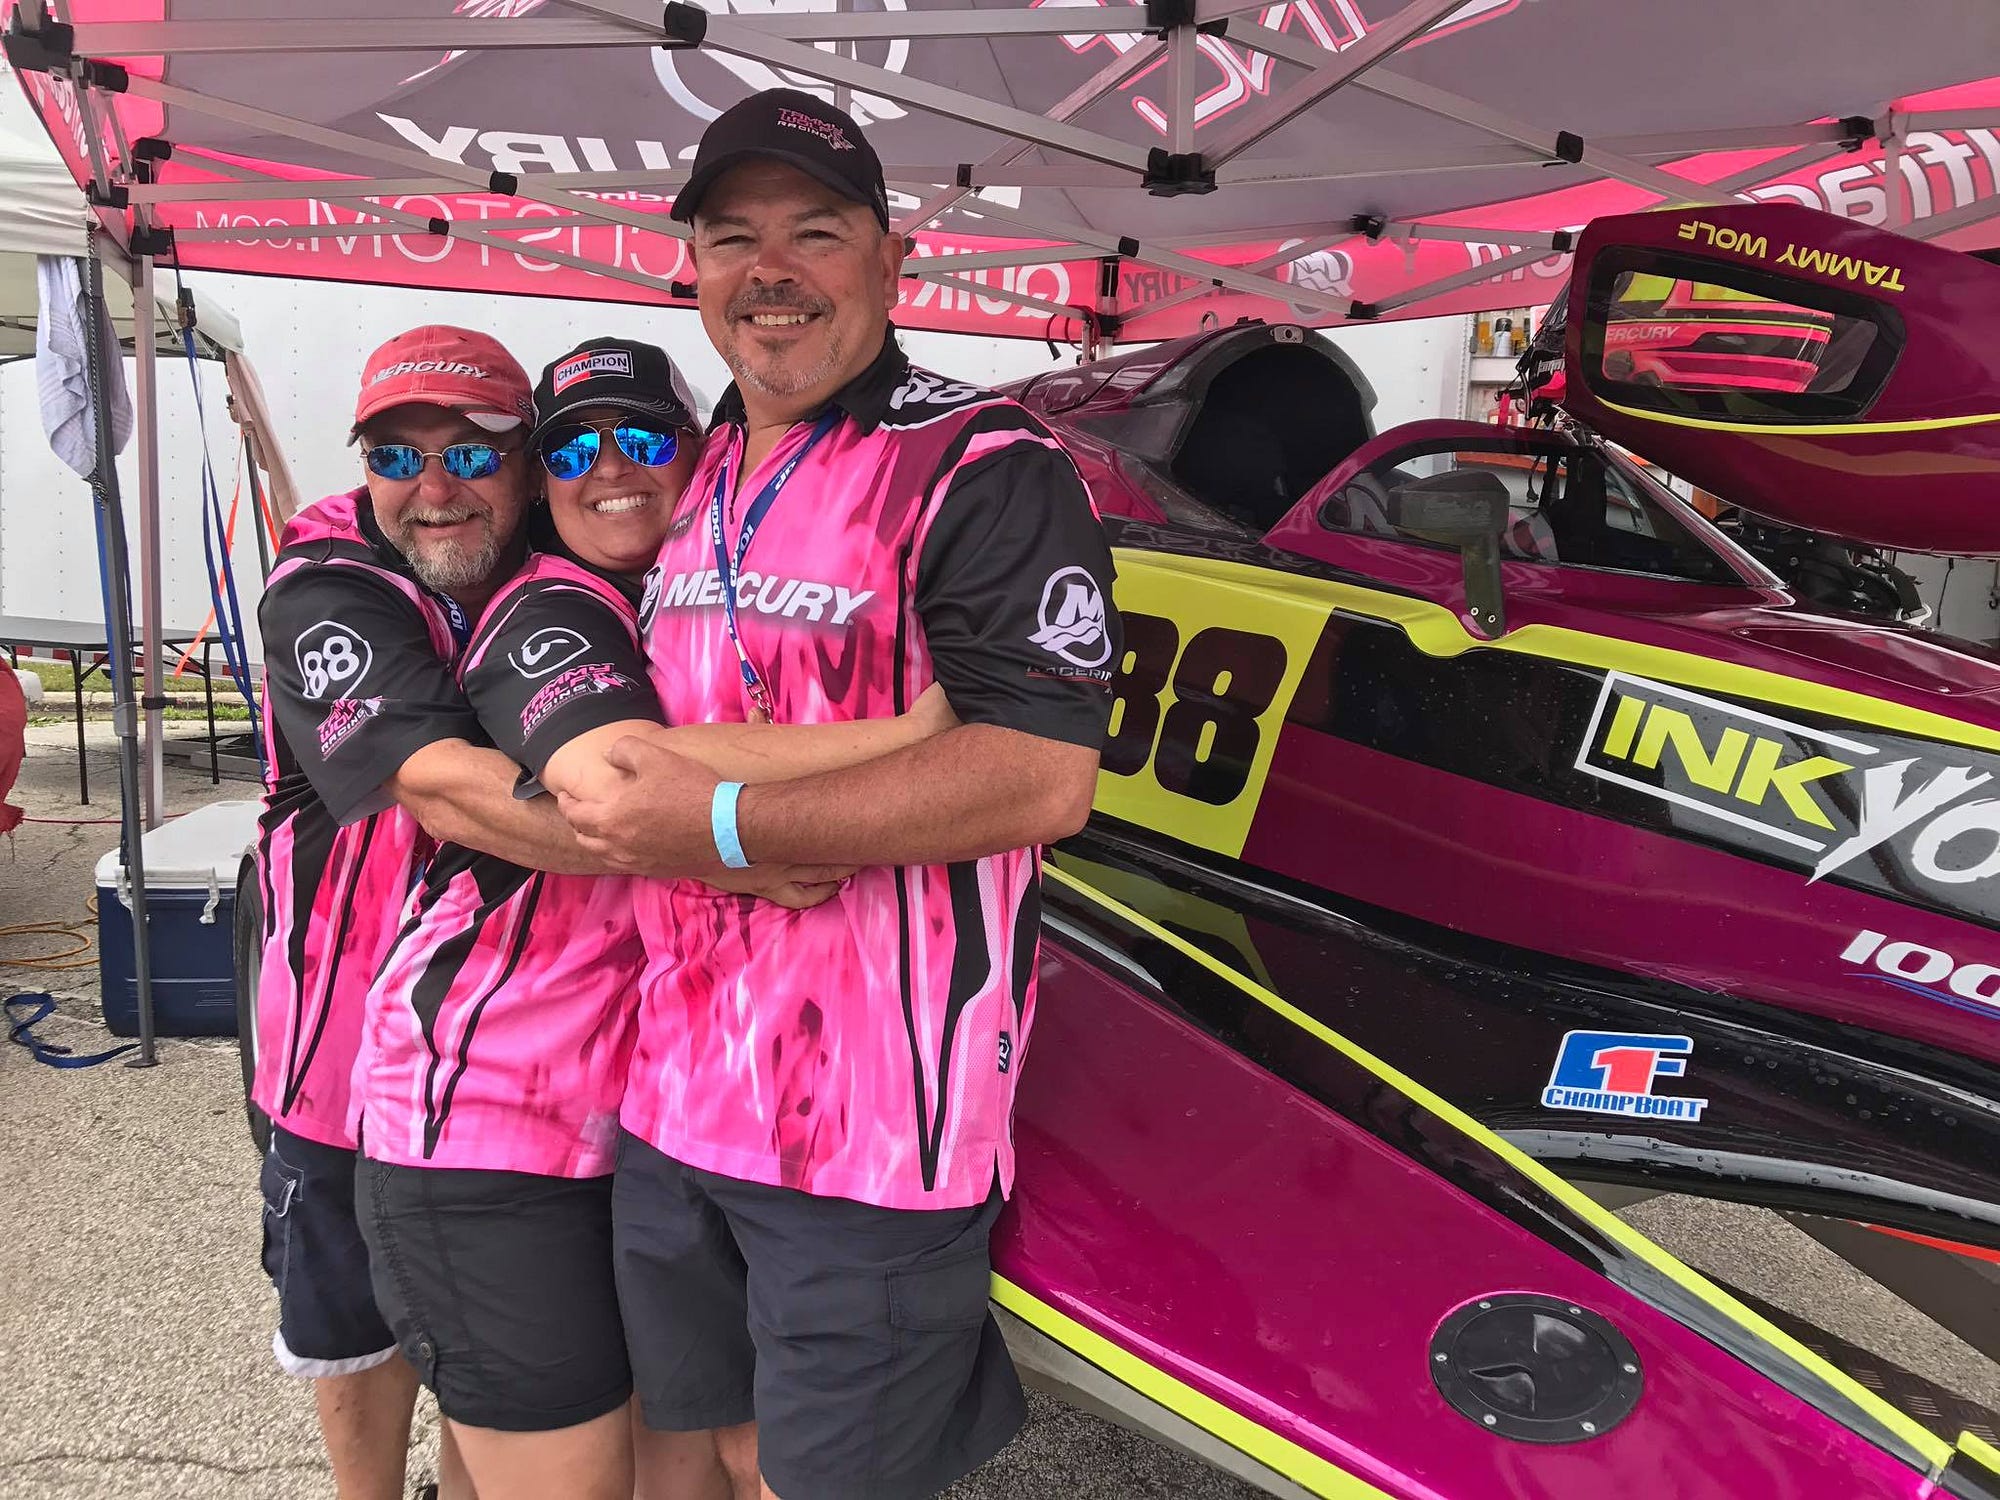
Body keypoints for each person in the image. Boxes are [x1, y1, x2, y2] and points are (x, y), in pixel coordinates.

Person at [560, 89, 1121, 1500]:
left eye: (814, 232)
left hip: (869, 1133)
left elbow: (1040, 774)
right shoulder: (693, 474)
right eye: (731, 238)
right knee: (729, 1449)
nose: (771, 271)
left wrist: (720, 827)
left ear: (892, 260)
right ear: (690, 269)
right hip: (676, 1090)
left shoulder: (983, 463)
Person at [352, 335, 953, 1500]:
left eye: (640, 436)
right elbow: (624, 781)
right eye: (571, 447)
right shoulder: (549, 608)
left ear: (703, 455)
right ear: (541, 480)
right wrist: (923, 742)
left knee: (656, 1456)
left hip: (637, 1122)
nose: (608, 467)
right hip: (484, 1119)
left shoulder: (694, 607)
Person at [253, 323, 592, 1500]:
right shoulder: (325, 584)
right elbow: (445, 788)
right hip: (337, 1046)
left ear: (529, 461)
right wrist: (727, 844)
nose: (433, 488)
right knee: (352, 1325)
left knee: (486, 1343)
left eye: (471, 453)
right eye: (395, 458)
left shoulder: (569, 563)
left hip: (502, 1063)